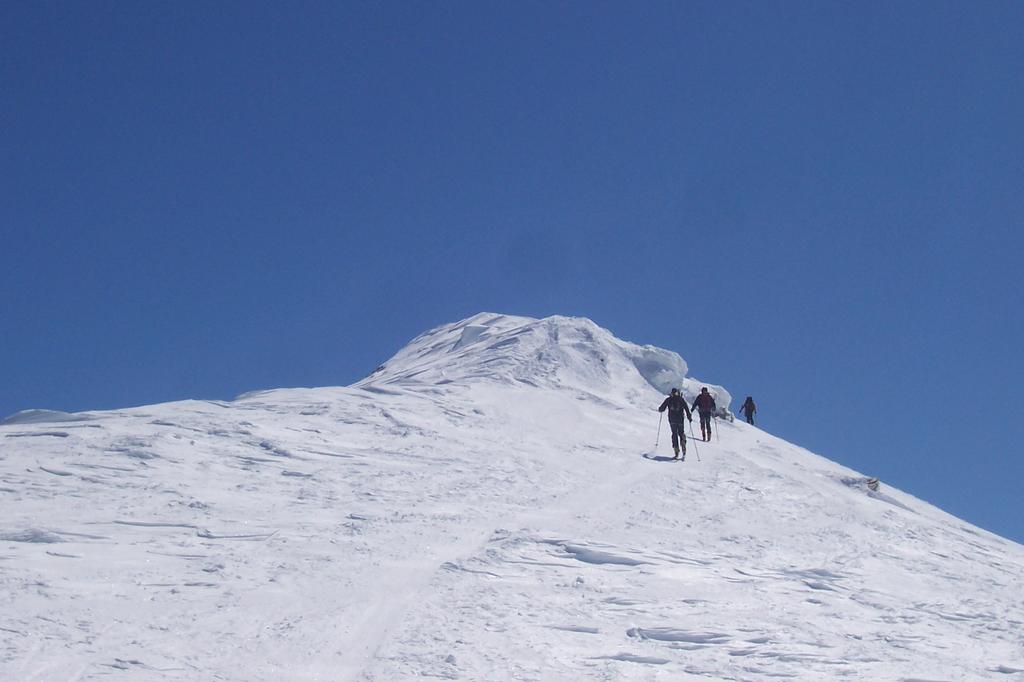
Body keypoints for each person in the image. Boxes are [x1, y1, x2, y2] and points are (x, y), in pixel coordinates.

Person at [658, 388, 692, 459]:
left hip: (672, 420)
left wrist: (660, 409)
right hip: (680, 419)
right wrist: (689, 417)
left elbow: (662, 408)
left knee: (674, 433)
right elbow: (686, 408)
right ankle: (683, 443)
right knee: (681, 432)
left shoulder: (668, 399)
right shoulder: (681, 399)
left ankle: (676, 450)